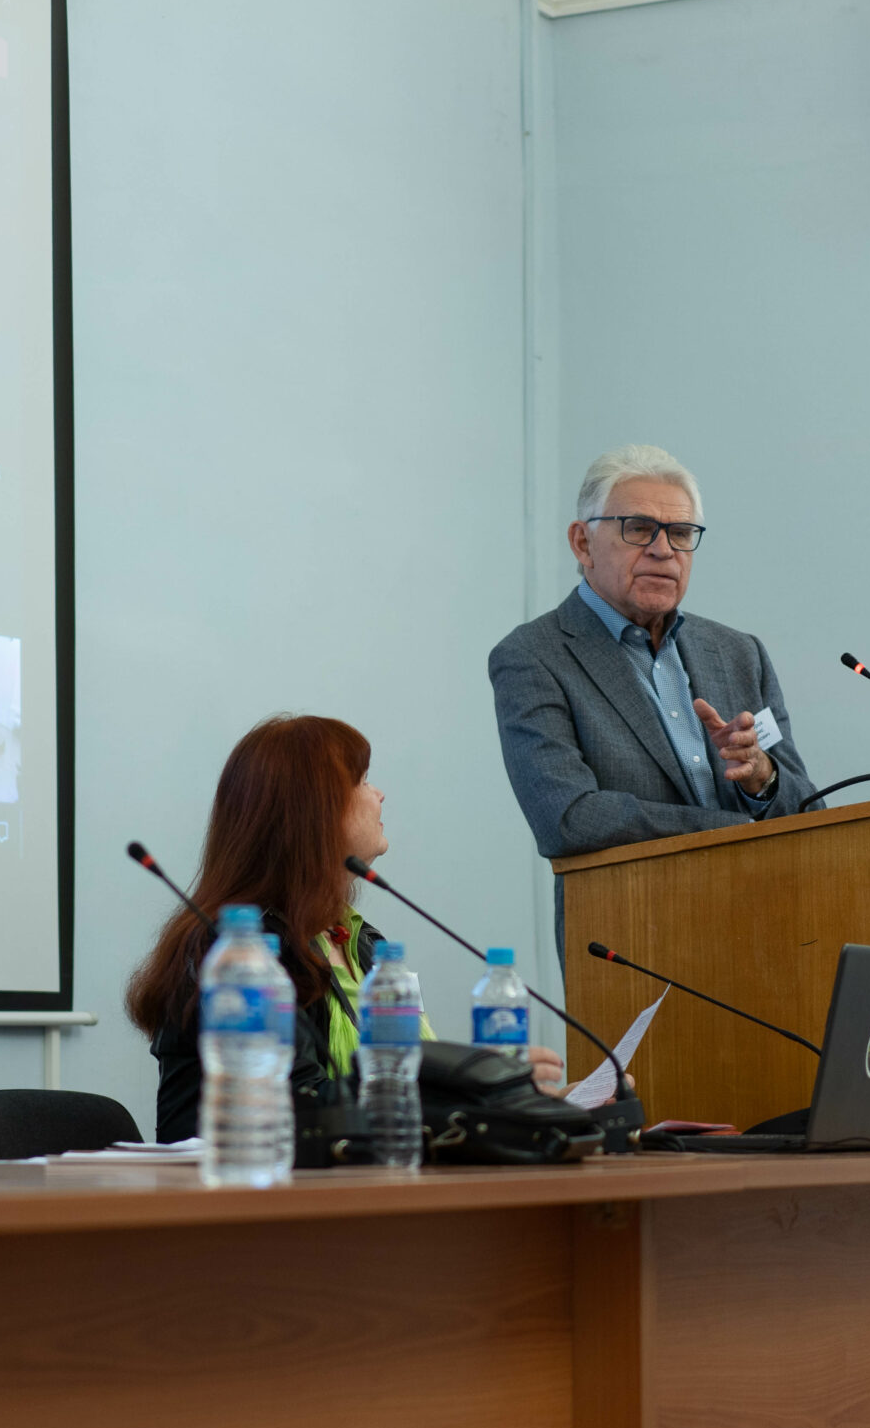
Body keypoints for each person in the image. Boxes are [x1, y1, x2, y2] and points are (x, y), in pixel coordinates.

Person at [125, 715, 566, 1144]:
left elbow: (406, 1083)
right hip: (246, 1180)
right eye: (362, 781)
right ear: (316, 812)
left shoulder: (363, 943)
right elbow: (299, 1108)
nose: (380, 794)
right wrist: (468, 1089)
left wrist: (511, 1103)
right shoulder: (237, 954)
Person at [489, 445, 816, 952]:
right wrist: (734, 828)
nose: (663, 550)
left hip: (767, 927)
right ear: (582, 542)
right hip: (634, 942)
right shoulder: (534, 656)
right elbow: (568, 818)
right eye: (638, 528)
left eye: (680, 533)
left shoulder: (738, 653)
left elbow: (807, 810)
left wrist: (761, 779)